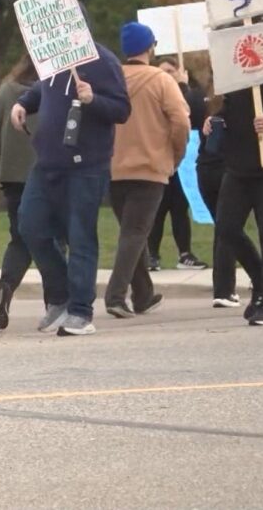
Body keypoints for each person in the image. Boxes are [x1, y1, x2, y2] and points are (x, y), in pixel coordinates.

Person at [11, 11, 131, 337]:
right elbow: (43, 89)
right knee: (30, 225)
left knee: (80, 236)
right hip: (47, 161)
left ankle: (80, 311)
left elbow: (121, 109)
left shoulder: (103, 61)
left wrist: (93, 100)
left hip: (86, 166)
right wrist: (23, 103)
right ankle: (60, 296)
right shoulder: (54, 59)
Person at [102, 23, 188, 319]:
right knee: (135, 233)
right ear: (150, 47)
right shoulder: (161, 80)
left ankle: (144, 295)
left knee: (132, 234)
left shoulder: (111, 78)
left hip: (113, 168)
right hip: (150, 168)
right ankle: (115, 295)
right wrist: (176, 154)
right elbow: (181, 122)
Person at [206, 75, 263, 325]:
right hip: (238, 168)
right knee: (226, 227)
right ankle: (261, 280)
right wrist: (217, 120)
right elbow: (232, 108)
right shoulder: (239, 76)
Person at [0, 54, 38, 330]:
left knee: (19, 240)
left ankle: (5, 288)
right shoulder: (59, 91)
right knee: (56, 239)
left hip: (14, 177)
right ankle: (58, 301)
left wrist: (0, 171)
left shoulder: (7, 91)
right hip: (49, 176)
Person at [196, 75, 259, 308]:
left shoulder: (204, 101)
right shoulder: (239, 100)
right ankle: (231, 285)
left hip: (205, 168)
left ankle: (226, 287)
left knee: (224, 226)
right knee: (228, 228)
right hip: (228, 169)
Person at [147, 57, 209, 271]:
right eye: (162, 71)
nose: (167, 75)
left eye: (171, 71)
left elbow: (191, 113)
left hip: (181, 162)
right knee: (157, 208)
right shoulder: (153, 93)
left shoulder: (193, 95)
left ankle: (185, 253)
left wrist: (183, 87)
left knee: (179, 207)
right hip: (158, 158)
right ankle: (152, 254)